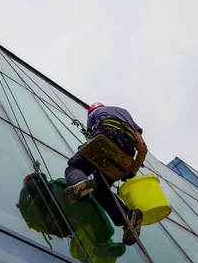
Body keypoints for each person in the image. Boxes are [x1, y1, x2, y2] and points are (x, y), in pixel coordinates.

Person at [62, 103, 148, 246]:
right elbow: (143, 148)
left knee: (74, 167)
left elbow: (92, 138)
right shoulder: (125, 113)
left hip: (105, 137)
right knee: (101, 190)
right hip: (126, 152)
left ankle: (80, 182)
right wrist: (132, 171)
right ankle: (128, 217)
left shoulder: (93, 114)